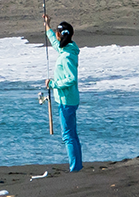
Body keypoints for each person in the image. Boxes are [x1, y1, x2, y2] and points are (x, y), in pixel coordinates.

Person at [44, 11, 82, 172]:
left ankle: (75, 168)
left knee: (68, 136)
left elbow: (71, 79)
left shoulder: (67, 55)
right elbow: (55, 43)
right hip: (68, 100)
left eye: (57, 33)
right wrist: (47, 26)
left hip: (67, 101)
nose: (56, 36)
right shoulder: (67, 49)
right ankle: (77, 166)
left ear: (61, 34)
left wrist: (53, 84)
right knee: (71, 134)